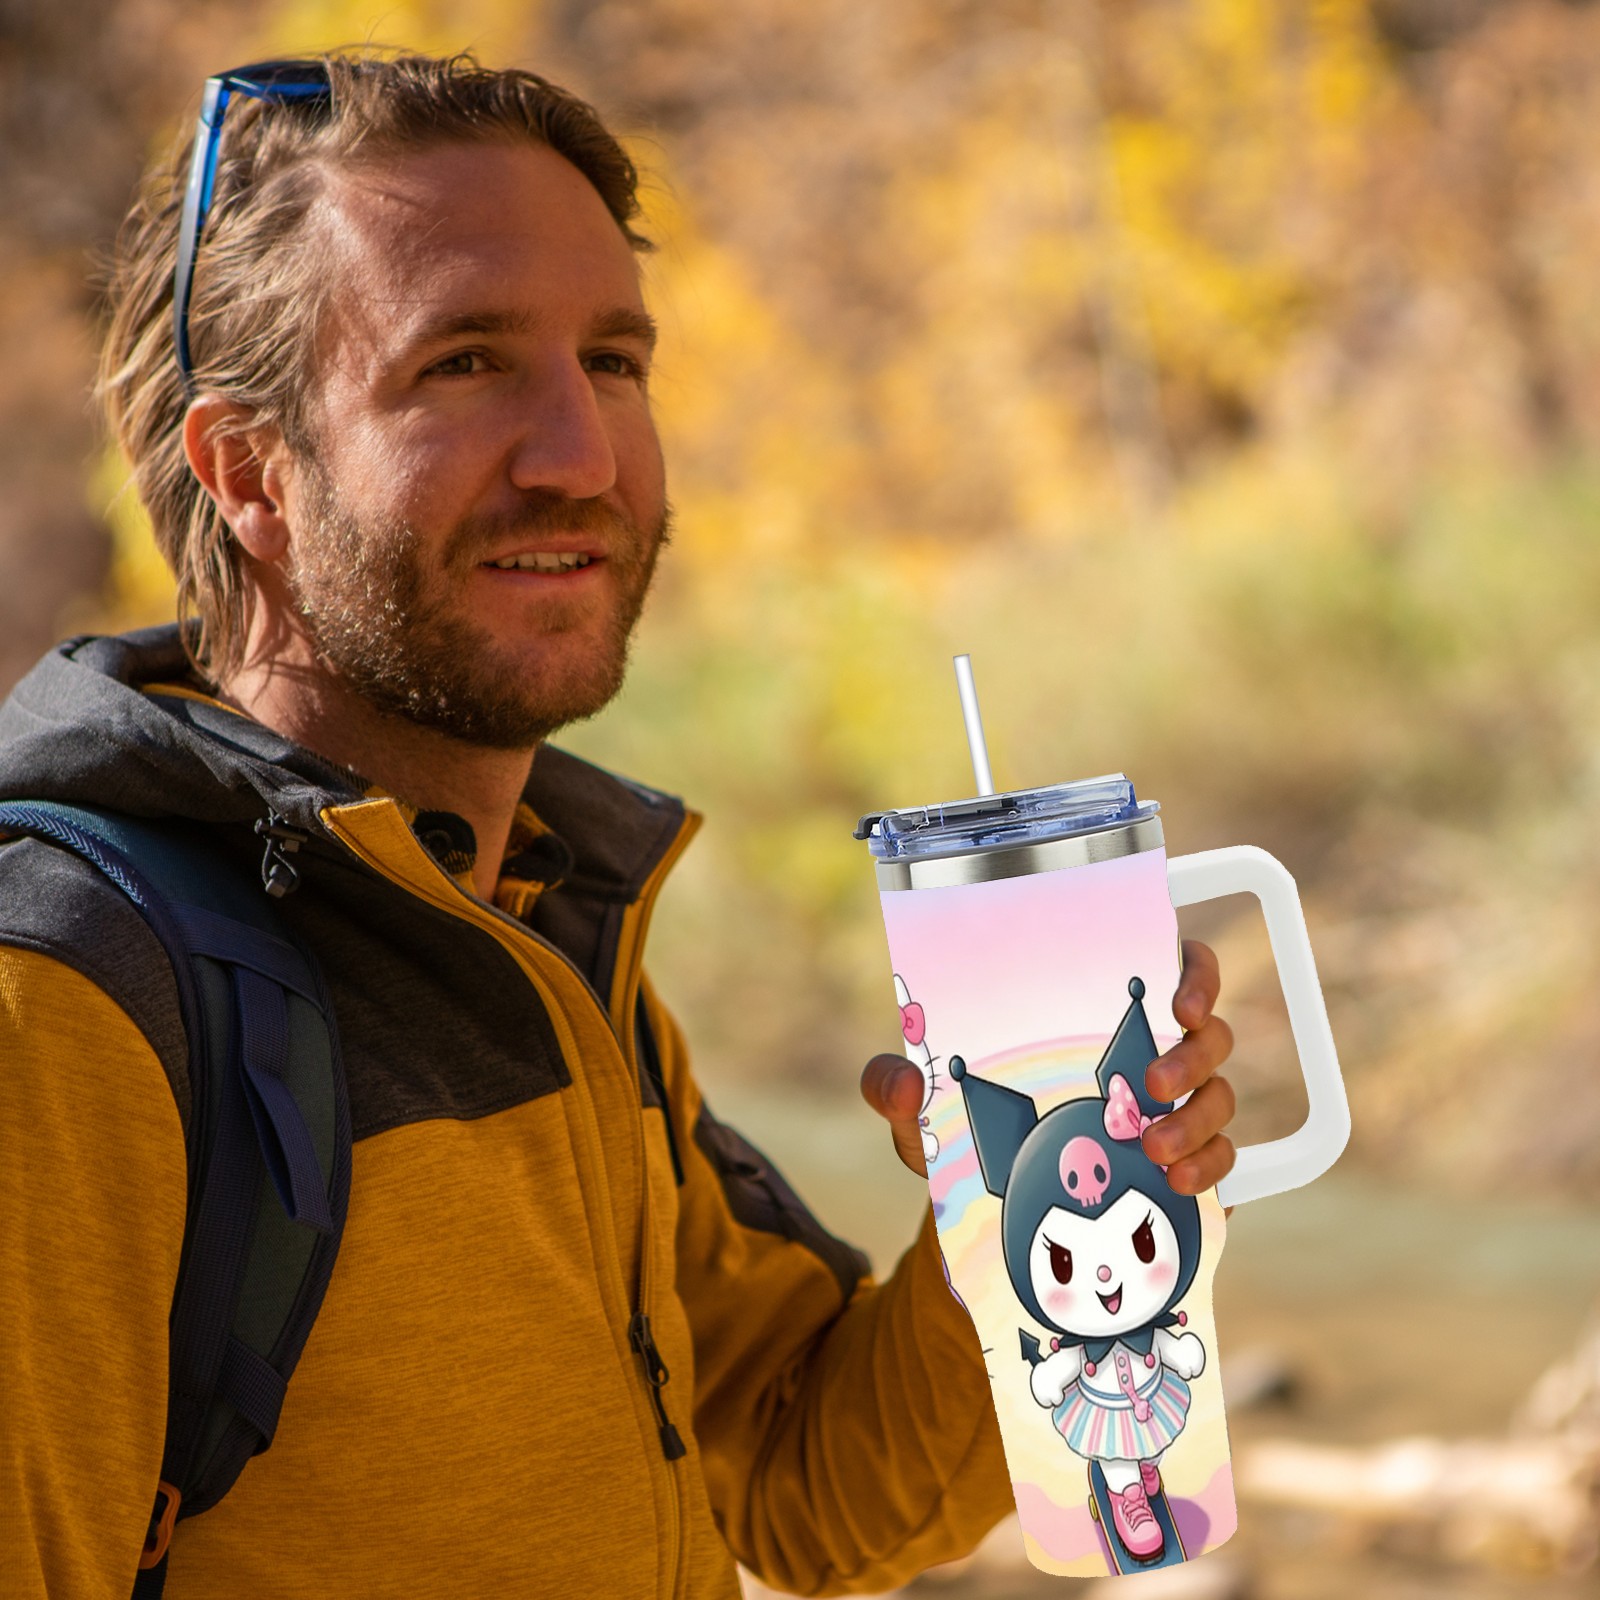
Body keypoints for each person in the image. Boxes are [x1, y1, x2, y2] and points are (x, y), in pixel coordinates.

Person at [0, 51, 1239, 1598]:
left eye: (614, 360)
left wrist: (1027, 1210)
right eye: (463, 363)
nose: (580, 455)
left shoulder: (542, 925)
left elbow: (805, 1486)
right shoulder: (71, 998)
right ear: (250, 473)